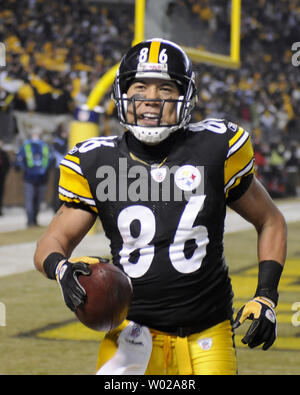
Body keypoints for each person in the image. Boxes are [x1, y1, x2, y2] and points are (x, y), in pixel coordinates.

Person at [34, 39, 287, 375]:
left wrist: (266, 296)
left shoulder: (215, 148)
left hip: (208, 329)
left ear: (186, 97)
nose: (151, 99)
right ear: (123, 93)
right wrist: (62, 269)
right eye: (140, 86)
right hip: (131, 332)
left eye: (165, 87)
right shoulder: (96, 161)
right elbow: (50, 245)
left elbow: (271, 221)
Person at [15, 127, 53, 226]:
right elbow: (19, 160)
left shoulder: (45, 146)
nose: (36, 136)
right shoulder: (26, 146)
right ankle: (30, 221)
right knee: (29, 200)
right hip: (29, 178)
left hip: (42, 178)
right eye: (34, 134)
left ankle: (34, 220)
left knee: (38, 200)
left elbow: (50, 160)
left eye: (37, 134)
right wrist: (23, 168)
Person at [0, 140, 10, 215]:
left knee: (1, 193)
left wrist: (4, 172)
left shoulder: (3, 154)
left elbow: (7, 164)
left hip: (1, 176)